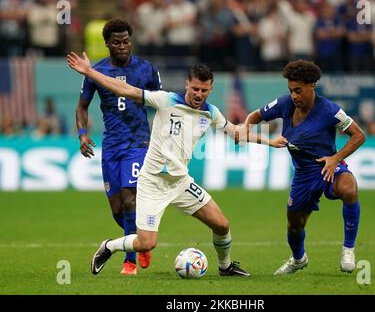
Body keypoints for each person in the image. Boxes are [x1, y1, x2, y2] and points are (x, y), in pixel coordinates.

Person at [68, 53, 284, 277]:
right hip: (153, 183)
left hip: (180, 183)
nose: (199, 94)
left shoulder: (211, 113)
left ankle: (225, 267)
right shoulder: (165, 100)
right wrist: (90, 72)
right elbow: (125, 90)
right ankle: (109, 246)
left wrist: (270, 142)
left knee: (222, 225)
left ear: (210, 89)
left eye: (204, 90)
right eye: (195, 89)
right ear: (187, 85)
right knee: (146, 243)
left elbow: (237, 133)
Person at [241, 60, 366, 274]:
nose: (294, 96)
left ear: (312, 86)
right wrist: (245, 129)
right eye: (291, 91)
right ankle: (298, 259)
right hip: (303, 175)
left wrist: (336, 158)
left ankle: (348, 249)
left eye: (298, 91)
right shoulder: (284, 104)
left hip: (327, 167)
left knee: (349, 188)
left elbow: (359, 135)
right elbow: (255, 116)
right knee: (294, 225)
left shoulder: (330, 110)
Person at [75, 19, 162, 275]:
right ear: (107, 44)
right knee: (117, 209)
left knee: (129, 199)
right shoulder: (97, 72)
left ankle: (129, 262)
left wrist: (160, 140)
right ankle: (140, 242)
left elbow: (162, 105)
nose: (123, 46)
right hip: (111, 146)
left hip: (139, 143)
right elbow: (81, 106)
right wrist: (82, 134)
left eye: (126, 41)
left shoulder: (147, 70)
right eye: (117, 42)